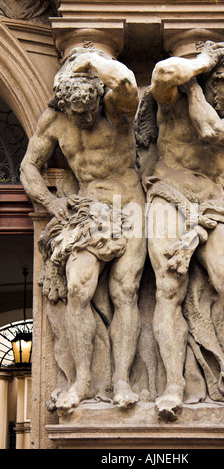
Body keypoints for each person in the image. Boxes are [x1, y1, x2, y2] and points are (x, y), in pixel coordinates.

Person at [20, 48, 146, 411]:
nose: (88, 116)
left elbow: (125, 82)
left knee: (126, 291)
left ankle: (121, 379)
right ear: (64, 106)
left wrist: (90, 61)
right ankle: (83, 381)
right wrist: (51, 202)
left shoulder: (115, 107)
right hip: (88, 208)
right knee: (77, 288)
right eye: (80, 113)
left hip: (130, 204)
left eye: (91, 107)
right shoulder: (54, 121)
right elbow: (29, 167)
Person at [145, 42, 224, 420]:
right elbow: (163, 73)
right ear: (214, 82)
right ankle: (173, 384)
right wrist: (204, 63)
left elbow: (211, 131)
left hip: (213, 204)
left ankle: (220, 374)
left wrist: (194, 86)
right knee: (168, 287)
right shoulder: (169, 101)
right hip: (167, 196)